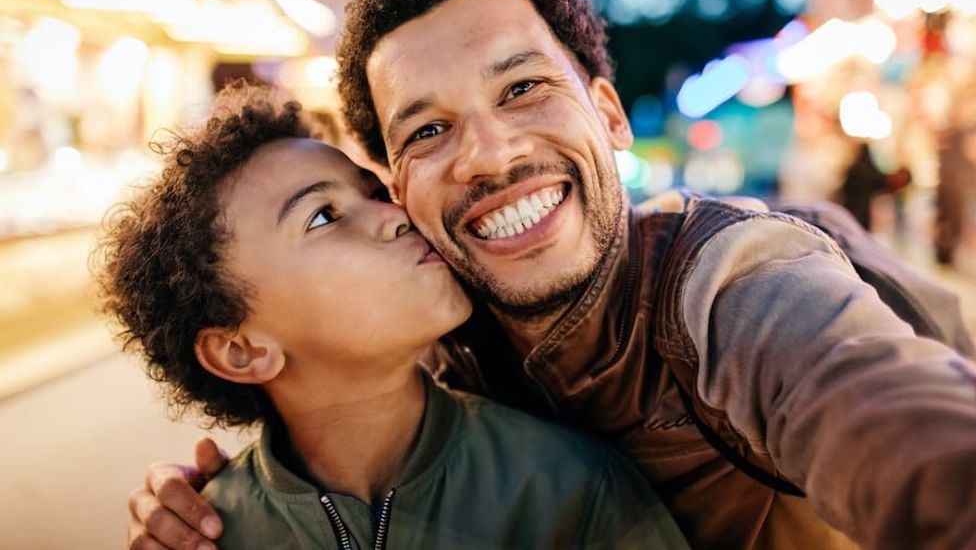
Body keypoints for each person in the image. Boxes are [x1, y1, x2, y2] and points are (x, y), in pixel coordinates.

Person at [129, 0, 976, 550]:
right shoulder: (428, 344)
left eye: (524, 87)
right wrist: (212, 508)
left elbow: (889, 417)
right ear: (399, 185)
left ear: (607, 113)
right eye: (426, 132)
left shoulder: (733, 284)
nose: (489, 154)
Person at [97, 86, 688, 549]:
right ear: (242, 349)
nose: (397, 215)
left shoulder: (567, 489)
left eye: (374, 193)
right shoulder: (204, 531)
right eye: (325, 217)